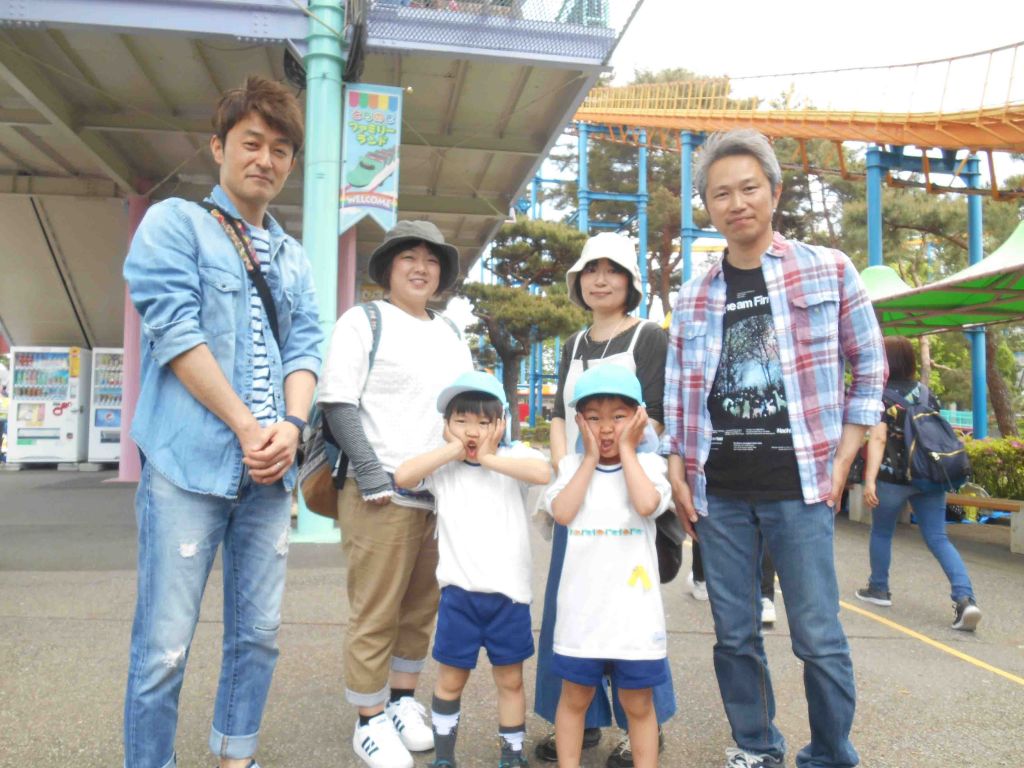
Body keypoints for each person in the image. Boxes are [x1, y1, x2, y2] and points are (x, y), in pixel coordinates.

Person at [663, 129, 886, 768]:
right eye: (721, 194)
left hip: (802, 485)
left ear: (774, 192)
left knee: (818, 637)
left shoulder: (829, 268)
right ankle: (756, 746)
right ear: (708, 206)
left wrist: (843, 458)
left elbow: (869, 364)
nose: (737, 203)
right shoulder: (694, 293)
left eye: (749, 188)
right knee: (734, 637)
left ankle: (830, 753)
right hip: (721, 493)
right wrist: (677, 469)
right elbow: (678, 395)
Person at [122, 76, 323, 768]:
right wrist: (246, 426)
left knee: (258, 636)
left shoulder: (293, 258)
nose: (265, 159)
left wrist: (291, 427)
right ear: (219, 147)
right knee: (164, 648)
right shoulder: (176, 224)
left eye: (280, 150)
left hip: (268, 477)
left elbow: (307, 346)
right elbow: (175, 330)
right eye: (251, 143)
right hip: (188, 467)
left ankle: (236, 756)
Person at [317, 220, 473, 768]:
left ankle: (403, 701)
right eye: (409, 257)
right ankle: (369, 719)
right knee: (376, 611)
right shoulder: (363, 321)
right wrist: (370, 473)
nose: (421, 267)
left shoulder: (450, 330)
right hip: (380, 491)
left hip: (439, 493)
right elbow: (338, 402)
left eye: (431, 259)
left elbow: (466, 405)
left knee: (420, 610)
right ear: (388, 268)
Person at [535, 232, 675, 768]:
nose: (600, 280)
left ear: (630, 281)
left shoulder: (647, 336)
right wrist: (568, 468)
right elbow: (559, 415)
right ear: (578, 281)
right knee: (573, 613)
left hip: (629, 481)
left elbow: (654, 413)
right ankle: (581, 724)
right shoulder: (573, 343)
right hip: (580, 484)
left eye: (612, 270)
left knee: (634, 619)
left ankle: (643, 731)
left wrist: (621, 455)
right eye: (590, 270)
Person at [394, 370, 552, 768]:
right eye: (461, 420)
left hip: (509, 599)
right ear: (446, 424)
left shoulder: (513, 459)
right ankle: (444, 757)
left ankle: (511, 755)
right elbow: (403, 477)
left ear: (501, 424)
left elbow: (543, 473)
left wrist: (488, 458)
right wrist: (451, 450)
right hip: (458, 598)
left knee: (510, 680)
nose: (472, 430)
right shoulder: (444, 468)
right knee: (450, 680)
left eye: (483, 422)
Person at [545, 365, 672, 768]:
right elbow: (563, 512)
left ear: (638, 418)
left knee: (639, 703)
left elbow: (646, 504)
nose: (605, 428)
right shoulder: (570, 469)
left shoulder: (650, 467)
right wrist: (587, 460)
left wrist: (630, 450)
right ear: (579, 421)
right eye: (593, 417)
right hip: (581, 618)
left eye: (618, 416)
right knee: (575, 697)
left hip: (634, 619)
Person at [856, 335, 982, 631]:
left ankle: (879, 589)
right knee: (938, 538)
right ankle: (965, 600)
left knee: (882, 532)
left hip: (892, 478)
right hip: (928, 477)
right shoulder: (926, 393)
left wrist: (869, 480)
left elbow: (878, 438)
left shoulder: (882, 395)